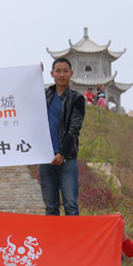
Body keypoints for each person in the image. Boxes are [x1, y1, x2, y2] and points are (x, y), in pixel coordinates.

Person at [40, 57, 85, 216]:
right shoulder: (44, 96)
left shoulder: (77, 98)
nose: (61, 74)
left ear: (71, 73)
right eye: (58, 71)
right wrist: (35, 75)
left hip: (67, 159)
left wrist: (62, 153)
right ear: (52, 73)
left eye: (65, 71)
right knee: (50, 206)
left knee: (70, 205)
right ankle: (53, 233)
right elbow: (25, 95)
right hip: (46, 158)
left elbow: (74, 129)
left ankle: (73, 233)